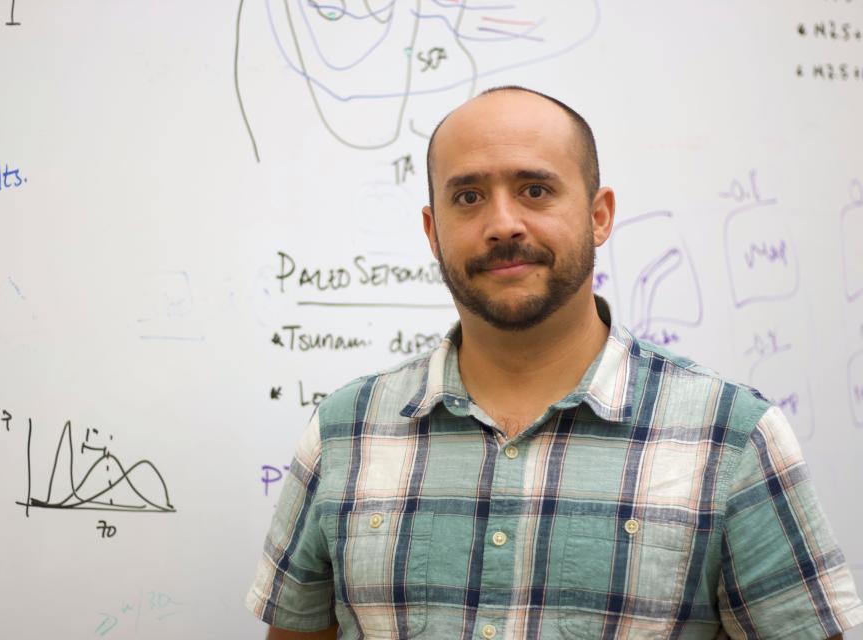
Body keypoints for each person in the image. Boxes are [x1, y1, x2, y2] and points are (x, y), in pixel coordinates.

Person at [246, 86, 863, 639]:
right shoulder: (344, 430)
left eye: (535, 189)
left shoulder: (732, 438)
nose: (502, 223)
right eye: (468, 196)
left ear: (599, 216)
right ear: (432, 232)